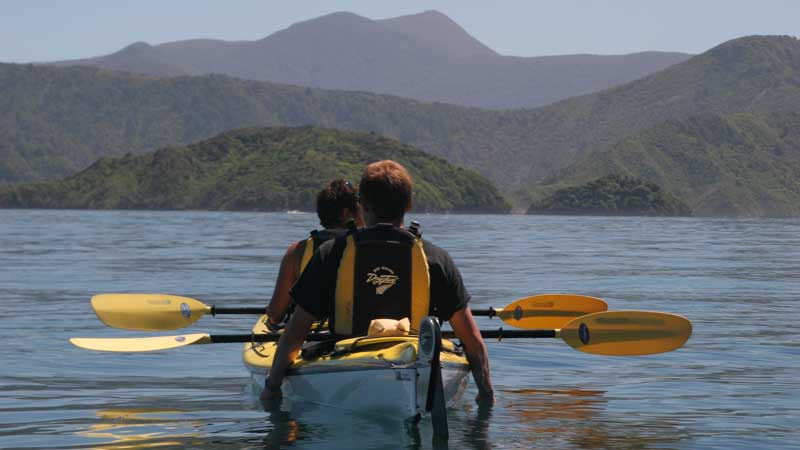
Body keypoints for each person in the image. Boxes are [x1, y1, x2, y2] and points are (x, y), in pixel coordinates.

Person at [262, 160, 494, 405]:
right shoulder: (436, 258)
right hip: (416, 359)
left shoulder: (331, 253)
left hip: (347, 361)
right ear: (410, 203)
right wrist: (486, 392)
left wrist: (272, 386)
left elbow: (297, 329)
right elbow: (471, 340)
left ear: (362, 205)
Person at [264, 179, 362, 331]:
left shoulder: (298, 251)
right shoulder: (366, 247)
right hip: (353, 331)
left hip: (309, 334)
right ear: (346, 213)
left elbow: (276, 314)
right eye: (362, 209)